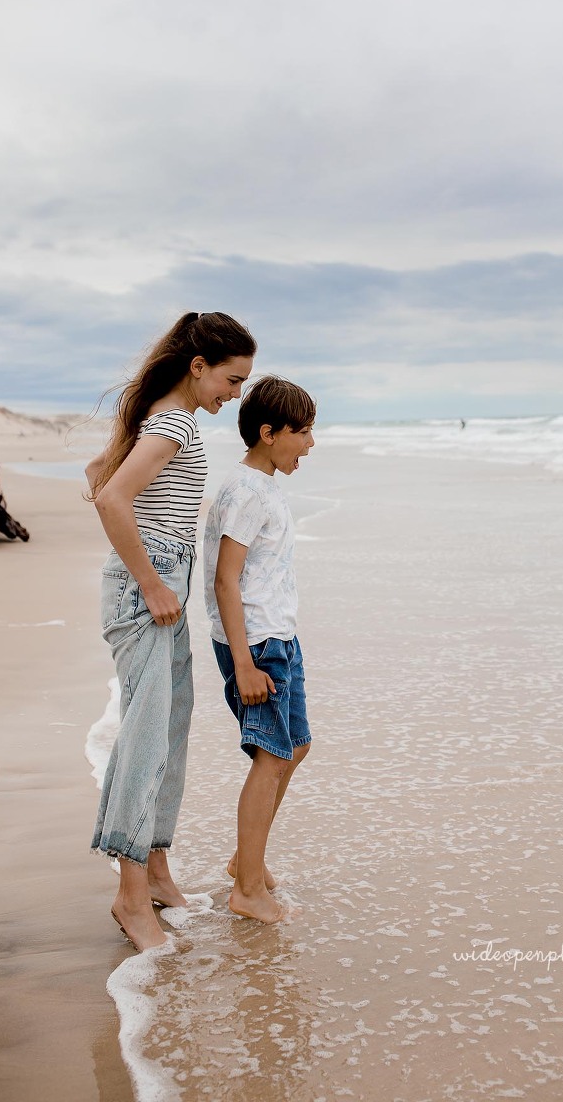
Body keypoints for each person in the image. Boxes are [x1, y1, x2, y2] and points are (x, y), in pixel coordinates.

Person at [87, 311, 257, 952]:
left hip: (161, 579)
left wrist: (163, 572)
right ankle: (131, 898)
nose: (235, 394)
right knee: (145, 738)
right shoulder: (172, 422)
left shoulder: (164, 418)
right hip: (149, 588)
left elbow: (97, 475)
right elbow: (110, 499)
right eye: (231, 380)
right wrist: (154, 582)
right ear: (199, 366)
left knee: (171, 727)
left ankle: (156, 873)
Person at [204, 376, 316, 924]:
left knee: (293, 748)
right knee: (271, 758)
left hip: (278, 637)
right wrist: (244, 662)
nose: (311, 444)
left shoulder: (266, 484)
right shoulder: (247, 491)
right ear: (269, 434)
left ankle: (244, 861)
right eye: (304, 432)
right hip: (258, 645)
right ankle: (247, 890)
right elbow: (227, 580)